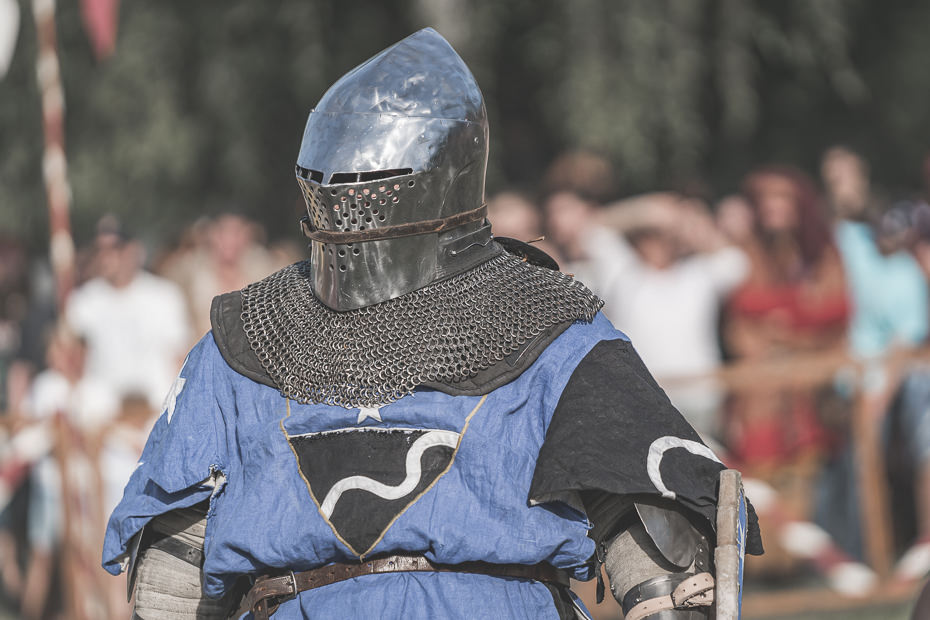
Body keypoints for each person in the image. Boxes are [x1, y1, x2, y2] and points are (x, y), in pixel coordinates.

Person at [102, 29, 760, 619]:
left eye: (371, 186)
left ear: (441, 181)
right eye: (332, 188)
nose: (348, 207)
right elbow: (174, 561)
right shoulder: (247, 339)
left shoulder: (550, 328)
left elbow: (659, 544)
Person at [65, 217, 191, 411]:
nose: (105, 257)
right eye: (99, 250)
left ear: (134, 250)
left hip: (157, 405)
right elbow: (71, 359)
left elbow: (180, 357)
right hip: (102, 410)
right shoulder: (83, 301)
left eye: (114, 248)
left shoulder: (164, 296)